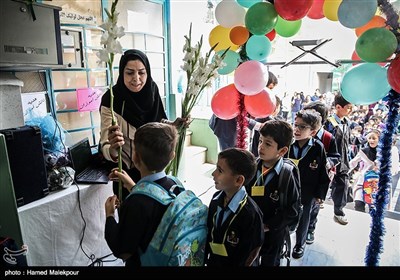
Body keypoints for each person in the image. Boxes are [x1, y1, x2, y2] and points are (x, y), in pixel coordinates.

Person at [99, 49, 188, 200]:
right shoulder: (112, 99)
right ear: (121, 73)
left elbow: (157, 121)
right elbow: (105, 144)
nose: (136, 78)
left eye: (141, 72)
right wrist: (113, 149)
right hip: (127, 172)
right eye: (130, 73)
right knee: (132, 216)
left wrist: (173, 125)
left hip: (154, 172)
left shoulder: (152, 90)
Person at [104, 122, 180, 267]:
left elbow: (122, 251)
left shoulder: (135, 202)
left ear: (135, 157)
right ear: (172, 156)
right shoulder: (175, 185)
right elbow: (156, 200)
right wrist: (132, 185)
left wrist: (110, 215)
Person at [246, 119, 301, 266]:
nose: (261, 147)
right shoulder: (252, 168)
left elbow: (292, 210)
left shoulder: (287, 175)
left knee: (270, 262)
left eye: (268, 144)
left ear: (282, 151)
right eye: (260, 141)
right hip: (252, 231)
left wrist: (268, 225)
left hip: (274, 234)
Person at [205, 148, 264, 266]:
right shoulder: (216, 199)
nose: (213, 174)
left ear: (238, 180)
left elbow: (251, 253)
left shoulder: (251, 214)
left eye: (220, 171)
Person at [286, 110, 330, 259]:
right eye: (295, 125)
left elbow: (323, 173)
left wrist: (320, 195)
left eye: (302, 127)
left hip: (308, 191)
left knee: (304, 219)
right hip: (287, 188)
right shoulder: (288, 144)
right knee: (284, 215)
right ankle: (281, 242)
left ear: (313, 131)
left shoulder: (318, 147)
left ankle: (300, 244)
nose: (297, 130)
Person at [209, 71, 277, 151]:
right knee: (230, 153)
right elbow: (238, 113)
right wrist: (257, 125)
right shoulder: (240, 92)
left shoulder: (249, 92)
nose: (270, 92)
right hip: (226, 123)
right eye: (270, 88)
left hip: (230, 123)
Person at [302, 101, 340, 244]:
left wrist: (327, 162)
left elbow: (336, 156)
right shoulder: (301, 133)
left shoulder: (328, 138)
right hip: (302, 176)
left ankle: (310, 229)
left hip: (319, 179)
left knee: (314, 205)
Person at [325, 93, 353, 225]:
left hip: (344, 160)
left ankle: (338, 212)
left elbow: (348, 141)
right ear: (338, 107)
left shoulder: (346, 122)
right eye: (348, 107)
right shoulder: (329, 122)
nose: (350, 110)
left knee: (342, 186)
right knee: (324, 183)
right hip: (331, 160)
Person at [349, 129, 380, 212]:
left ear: (379, 139)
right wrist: (343, 171)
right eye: (369, 138)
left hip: (377, 184)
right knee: (358, 204)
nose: (371, 140)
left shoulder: (384, 153)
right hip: (363, 182)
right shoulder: (363, 151)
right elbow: (353, 163)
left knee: (373, 209)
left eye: (374, 138)